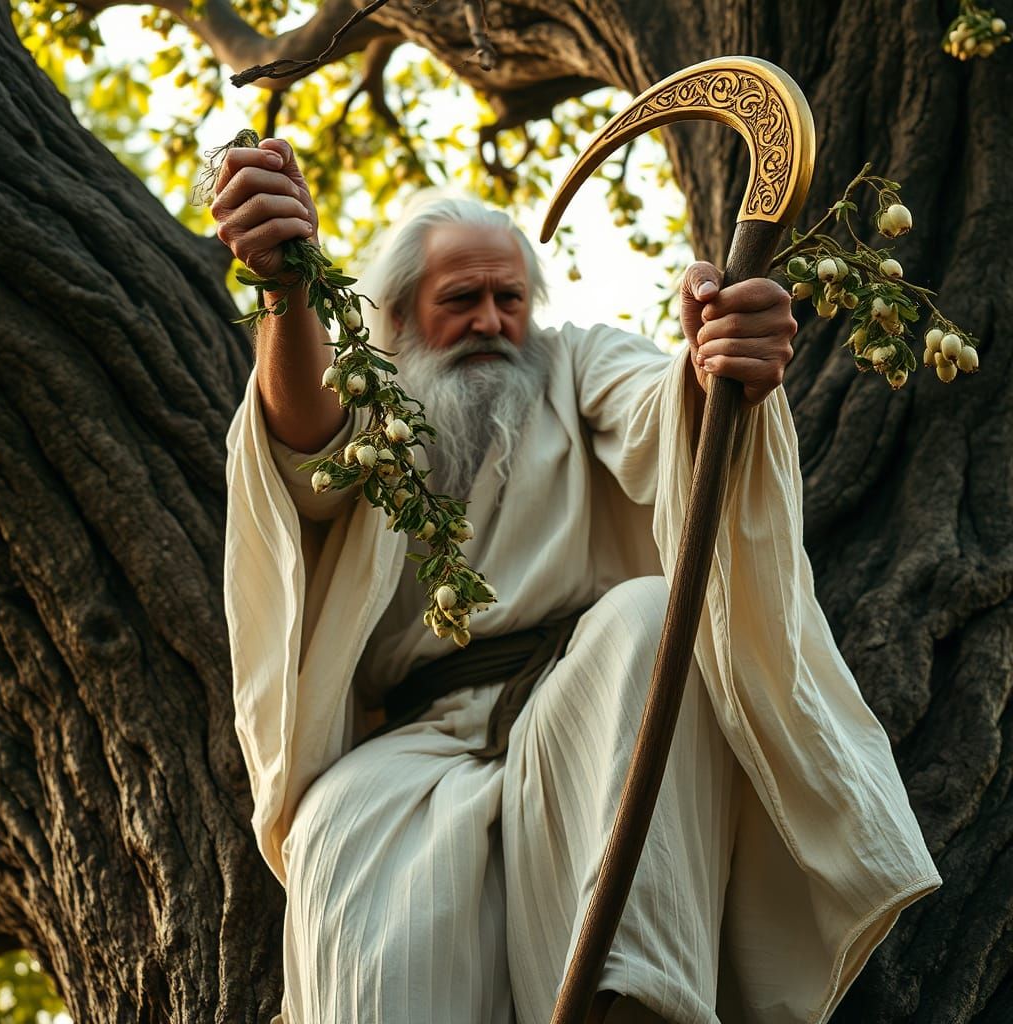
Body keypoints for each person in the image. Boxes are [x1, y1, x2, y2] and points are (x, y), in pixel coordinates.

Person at [216, 138, 941, 1024]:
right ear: (399, 317)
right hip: (409, 747)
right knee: (334, 830)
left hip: (582, 708)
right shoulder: (371, 396)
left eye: (509, 298)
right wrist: (287, 289)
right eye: (461, 300)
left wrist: (719, 365)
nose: (490, 319)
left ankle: (636, 1008)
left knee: (649, 616)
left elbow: (663, 406)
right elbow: (302, 446)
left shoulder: (575, 362)